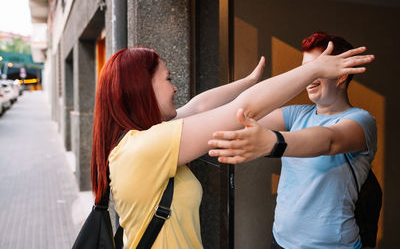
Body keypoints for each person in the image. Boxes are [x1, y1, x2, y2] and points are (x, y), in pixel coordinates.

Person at [90, 41, 374, 249]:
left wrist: (249, 82)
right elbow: (244, 109)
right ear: (144, 89)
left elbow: (200, 105)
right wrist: (313, 71)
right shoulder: (147, 145)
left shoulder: (138, 140)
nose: (175, 87)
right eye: (168, 78)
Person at [208, 32, 377, 249]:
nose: (308, 77)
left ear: (341, 75)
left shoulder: (361, 120)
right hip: (281, 242)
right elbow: (236, 117)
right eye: (305, 70)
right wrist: (247, 83)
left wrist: (274, 142)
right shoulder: (297, 114)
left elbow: (328, 140)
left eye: (317, 68)